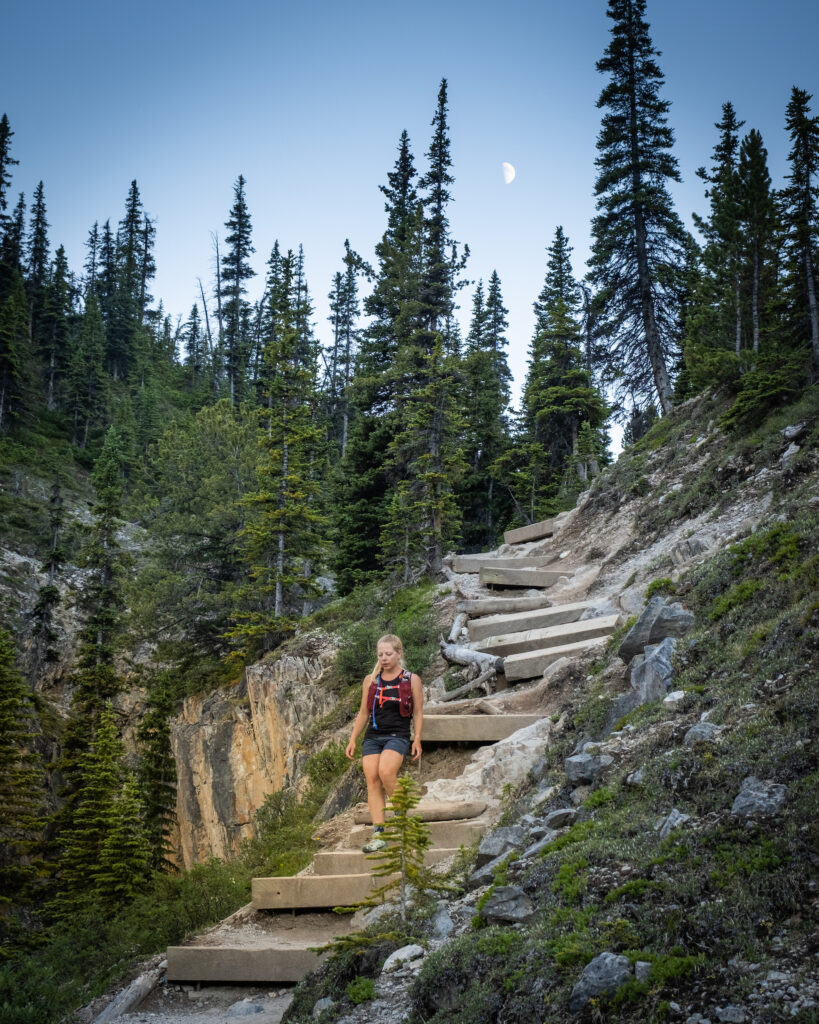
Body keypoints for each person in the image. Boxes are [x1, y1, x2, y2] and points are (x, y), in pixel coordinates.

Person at [345, 634, 423, 852]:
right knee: (372, 779)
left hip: (398, 734)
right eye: (380, 654)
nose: (384, 658)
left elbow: (418, 712)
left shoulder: (411, 679)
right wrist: (353, 739)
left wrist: (417, 738)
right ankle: (379, 834)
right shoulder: (370, 681)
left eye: (388, 654)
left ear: (399, 654)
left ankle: (401, 817)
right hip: (373, 736)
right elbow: (363, 713)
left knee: (386, 772)